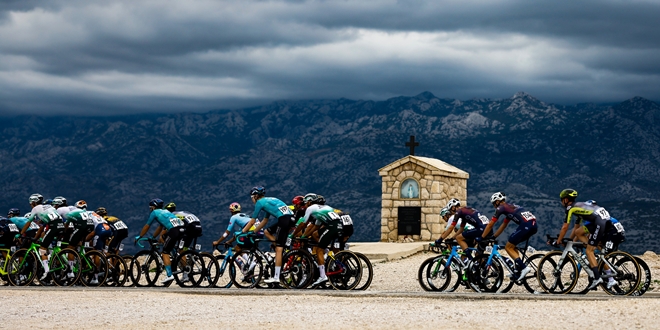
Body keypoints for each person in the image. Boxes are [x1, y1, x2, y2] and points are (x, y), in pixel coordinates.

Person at [555, 189, 611, 290]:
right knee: (580, 233)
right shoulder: (580, 208)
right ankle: (610, 278)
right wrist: (569, 240)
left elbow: (565, 227)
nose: (561, 202)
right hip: (605, 221)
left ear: (566, 200)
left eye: (562, 199)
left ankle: (597, 278)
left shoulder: (570, 208)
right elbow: (576, 229)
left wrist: (559, 240)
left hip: (600, 223)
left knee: (589, 251)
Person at [242, 186, 294, 284]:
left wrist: (243, 232)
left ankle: (276, 277)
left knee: (279, 249)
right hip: (290, 219)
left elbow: (252, 221)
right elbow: (265, 221)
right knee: (267, 232)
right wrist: (254, 232)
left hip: (284, 220)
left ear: (256, 196)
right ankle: (280, 246)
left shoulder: (259, 203)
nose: (252, 199)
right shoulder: (268, 201)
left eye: (252, 197)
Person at [481, 192, 538, 280]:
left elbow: (490, 225)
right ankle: (517, 270)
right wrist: (494, 236)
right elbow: (503, 225)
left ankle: (524, 268)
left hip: (526, 225)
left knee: (508, 247)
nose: (494, 206)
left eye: (494, 204)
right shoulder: (511, 207)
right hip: (533, 226)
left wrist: (482, 237)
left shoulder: (501, 208)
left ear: (497, 202)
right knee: (513, 246)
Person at [136, 198, 186, 283]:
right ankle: (186, 270)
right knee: (177, 251)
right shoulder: (166, 212)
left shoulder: (154, 213)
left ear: (154, 206)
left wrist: (140, 236)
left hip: (174, 231)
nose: (150, 209)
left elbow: (147, 226)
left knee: (165, 252)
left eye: (151, 207)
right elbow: (160, 228)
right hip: (183, 229)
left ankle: (169, 275)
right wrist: (153, 237)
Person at [299, 193, 344, 286]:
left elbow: (303, 223)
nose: (305, 205)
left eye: (306, 202)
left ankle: (322, 276)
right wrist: (304, 236)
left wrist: (294, 235)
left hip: (332, 226)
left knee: (319, 249)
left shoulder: (310, 208)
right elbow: (315, 227)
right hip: (340, 226)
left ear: (310, 202)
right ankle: (334, 260)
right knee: (316, 234)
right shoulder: (322, 210)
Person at [21, 194, 66, 280]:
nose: (30, 205)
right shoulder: (49, 206)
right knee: (52, 246)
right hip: (61, 225)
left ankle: (46, 270)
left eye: (30, 203)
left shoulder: (35, 209)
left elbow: (28, 222)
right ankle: (54, 259)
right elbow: (44, 222)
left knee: (42, 248)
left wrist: (21, 232)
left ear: (33, 202)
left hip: (53, 226)